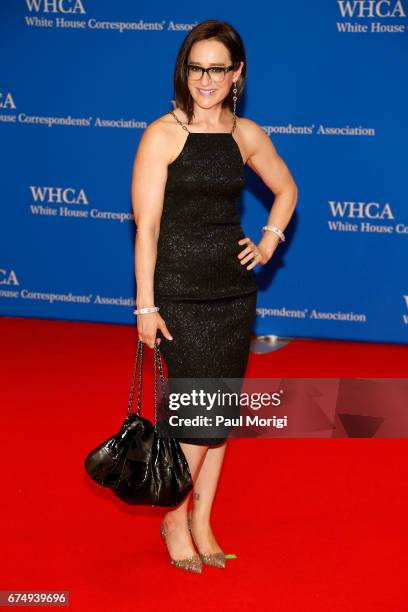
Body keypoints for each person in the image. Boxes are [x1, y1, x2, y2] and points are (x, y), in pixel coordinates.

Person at [131, 19, 298, 573]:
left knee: (218, 414)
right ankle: (174, 517)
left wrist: (270, 240)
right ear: (185, 71)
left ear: (237, 74)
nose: (206, 79)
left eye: (217, 69)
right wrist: (146, 306)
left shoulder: (243, 135)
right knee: (197, 416)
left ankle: (202, 520)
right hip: (178, 292)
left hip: (232, 292)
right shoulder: (163, 134)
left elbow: (286, 188)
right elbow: (147, 229)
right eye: (197, 67)